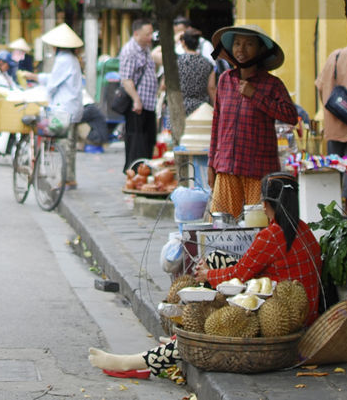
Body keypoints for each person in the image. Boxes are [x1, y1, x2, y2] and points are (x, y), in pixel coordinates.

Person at [86, 172, 323, 380]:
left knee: (204, 334)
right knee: (217, 258)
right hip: (299, 310)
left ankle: (138, 361)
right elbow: (248, 268)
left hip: (282, 319)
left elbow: (240, 274)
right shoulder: (304, 230)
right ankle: (186, 324)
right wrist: (213, 271)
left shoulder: (270, 235)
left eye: (263, 200)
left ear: (269, 203)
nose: (261, 205)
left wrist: (208, 275)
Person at [207, 24, 299, 219]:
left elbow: (290, 115)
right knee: (222, 225)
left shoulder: (272, 84)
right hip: (226, 168)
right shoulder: (224, 80)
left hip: (258, 170)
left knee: (257, 226)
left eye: (249, 44)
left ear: (261, 50)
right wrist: (210, 164)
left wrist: (255, 95)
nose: (241, 49)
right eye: (237, 43)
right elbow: (216, 124)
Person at [38, 23, 85, 186]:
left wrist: (45, 97)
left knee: (64, 144)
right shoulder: (72, 59)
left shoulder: (63, 59)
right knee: (70, 145)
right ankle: (70, 178)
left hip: (64, 109)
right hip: (73, 107)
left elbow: (52, 84)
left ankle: (65, 178)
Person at [315, 45, 347, 201]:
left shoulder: (334, 55)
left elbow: (319, 87)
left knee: (334, 169)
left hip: (332, 124)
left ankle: (333, 204)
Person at [118, 19, 158, 171]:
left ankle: (142, 171)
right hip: (138, 105)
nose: (150, 37)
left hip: (148, 103)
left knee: (148, 139)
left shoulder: (145, 48)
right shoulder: (130, 51)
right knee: (137, 141)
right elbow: (126, 79)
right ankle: (135, 173)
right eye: (147, 34)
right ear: (136, 33)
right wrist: (136, 100)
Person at [177, 28, 217, 116]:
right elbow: (211, 88)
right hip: (201, 110)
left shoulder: (176, 62)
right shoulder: (208, 64)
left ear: (183, 42)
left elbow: (164, 85)